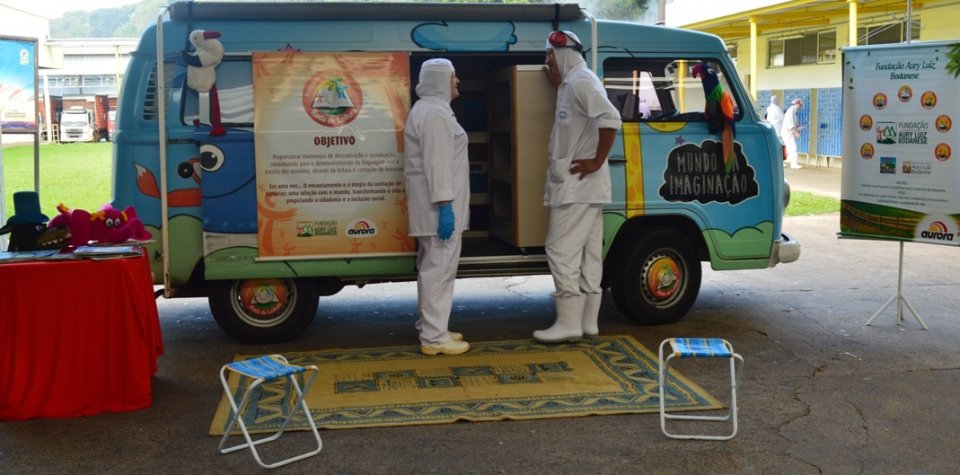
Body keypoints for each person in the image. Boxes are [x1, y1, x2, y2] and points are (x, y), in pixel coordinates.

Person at [534, 31, 622, 344]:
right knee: (588, 255)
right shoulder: (571, 84)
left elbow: (610, 118)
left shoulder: (582, 81)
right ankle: (587, 323)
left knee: (559, 250)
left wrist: (598, 160)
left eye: (550, 55)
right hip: (581, 188)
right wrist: (558, 82)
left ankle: (567, 323)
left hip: (578, 187)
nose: (547, 62)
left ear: (566, 53)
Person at [403, 58, 471, 356]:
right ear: (440, 80)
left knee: (433, 270)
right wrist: (445, 205)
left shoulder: (434, 110)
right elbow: (437, 163)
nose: (457, 82)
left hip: (435, 208)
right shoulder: (433, 114)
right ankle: (434, 338)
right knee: (439, 271)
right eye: (453, 77)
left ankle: (432, 327)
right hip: (438, 209)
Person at [780, 98, 803, 169]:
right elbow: (791, 125)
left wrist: (800, 126)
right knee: (793, 147)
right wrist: (797, 133)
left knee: (789, 148)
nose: (801, 107)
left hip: (789, 133)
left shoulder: (793, 112)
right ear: (797, 104)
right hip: (787, 134)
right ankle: (794, 164)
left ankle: (785, 162)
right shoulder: (790, 112)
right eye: (800, 105)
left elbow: (795, 124)